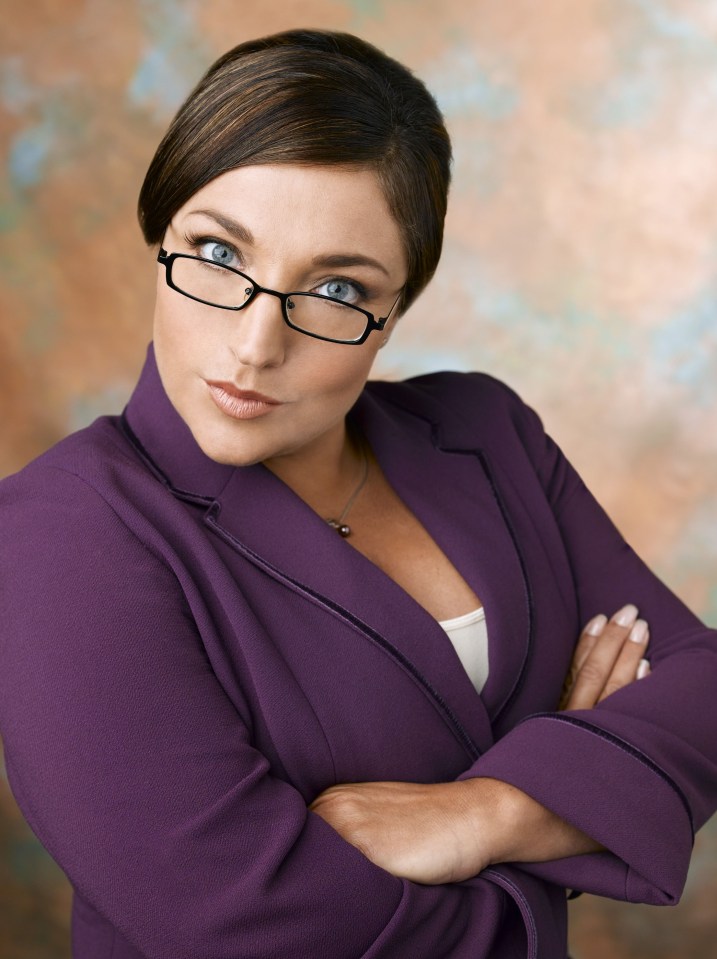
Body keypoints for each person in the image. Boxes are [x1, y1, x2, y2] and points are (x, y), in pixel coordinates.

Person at [1, 28, 715, 959]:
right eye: (218, 254)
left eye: (336, 286)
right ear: (159, 234)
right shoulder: (59, 534)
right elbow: (243, 923)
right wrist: (572, 817)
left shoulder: (482, 430)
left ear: (395, 311)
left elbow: (700, 689)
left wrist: (486, 815)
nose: (257, 343)